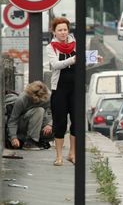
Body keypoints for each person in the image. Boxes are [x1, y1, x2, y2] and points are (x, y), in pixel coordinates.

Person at [46, 17, 77, 166]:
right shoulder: (51, 47)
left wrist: (93, 58)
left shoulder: (76, 43)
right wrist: (72, 60)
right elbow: (56, 65)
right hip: (59, 89)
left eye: (65, 29)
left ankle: (72, 153)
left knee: (77, 121)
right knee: (60, 122)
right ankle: (59, 156)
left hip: (75, 88)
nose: (63, 32)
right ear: (54, 32)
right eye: (60, 30)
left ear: (68, 30)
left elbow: (82, 60)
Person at [7, 81, 53, 150]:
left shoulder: (48, 96)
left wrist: (50, 124)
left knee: (59, 125)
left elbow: (55, 113)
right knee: (39, 110)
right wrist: (13, 137)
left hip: (37, 122)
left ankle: (40, 141)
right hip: (23, 124)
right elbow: (13, 121)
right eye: (35, 99)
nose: (37, 101)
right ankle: (30, 142)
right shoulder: (22, 100)